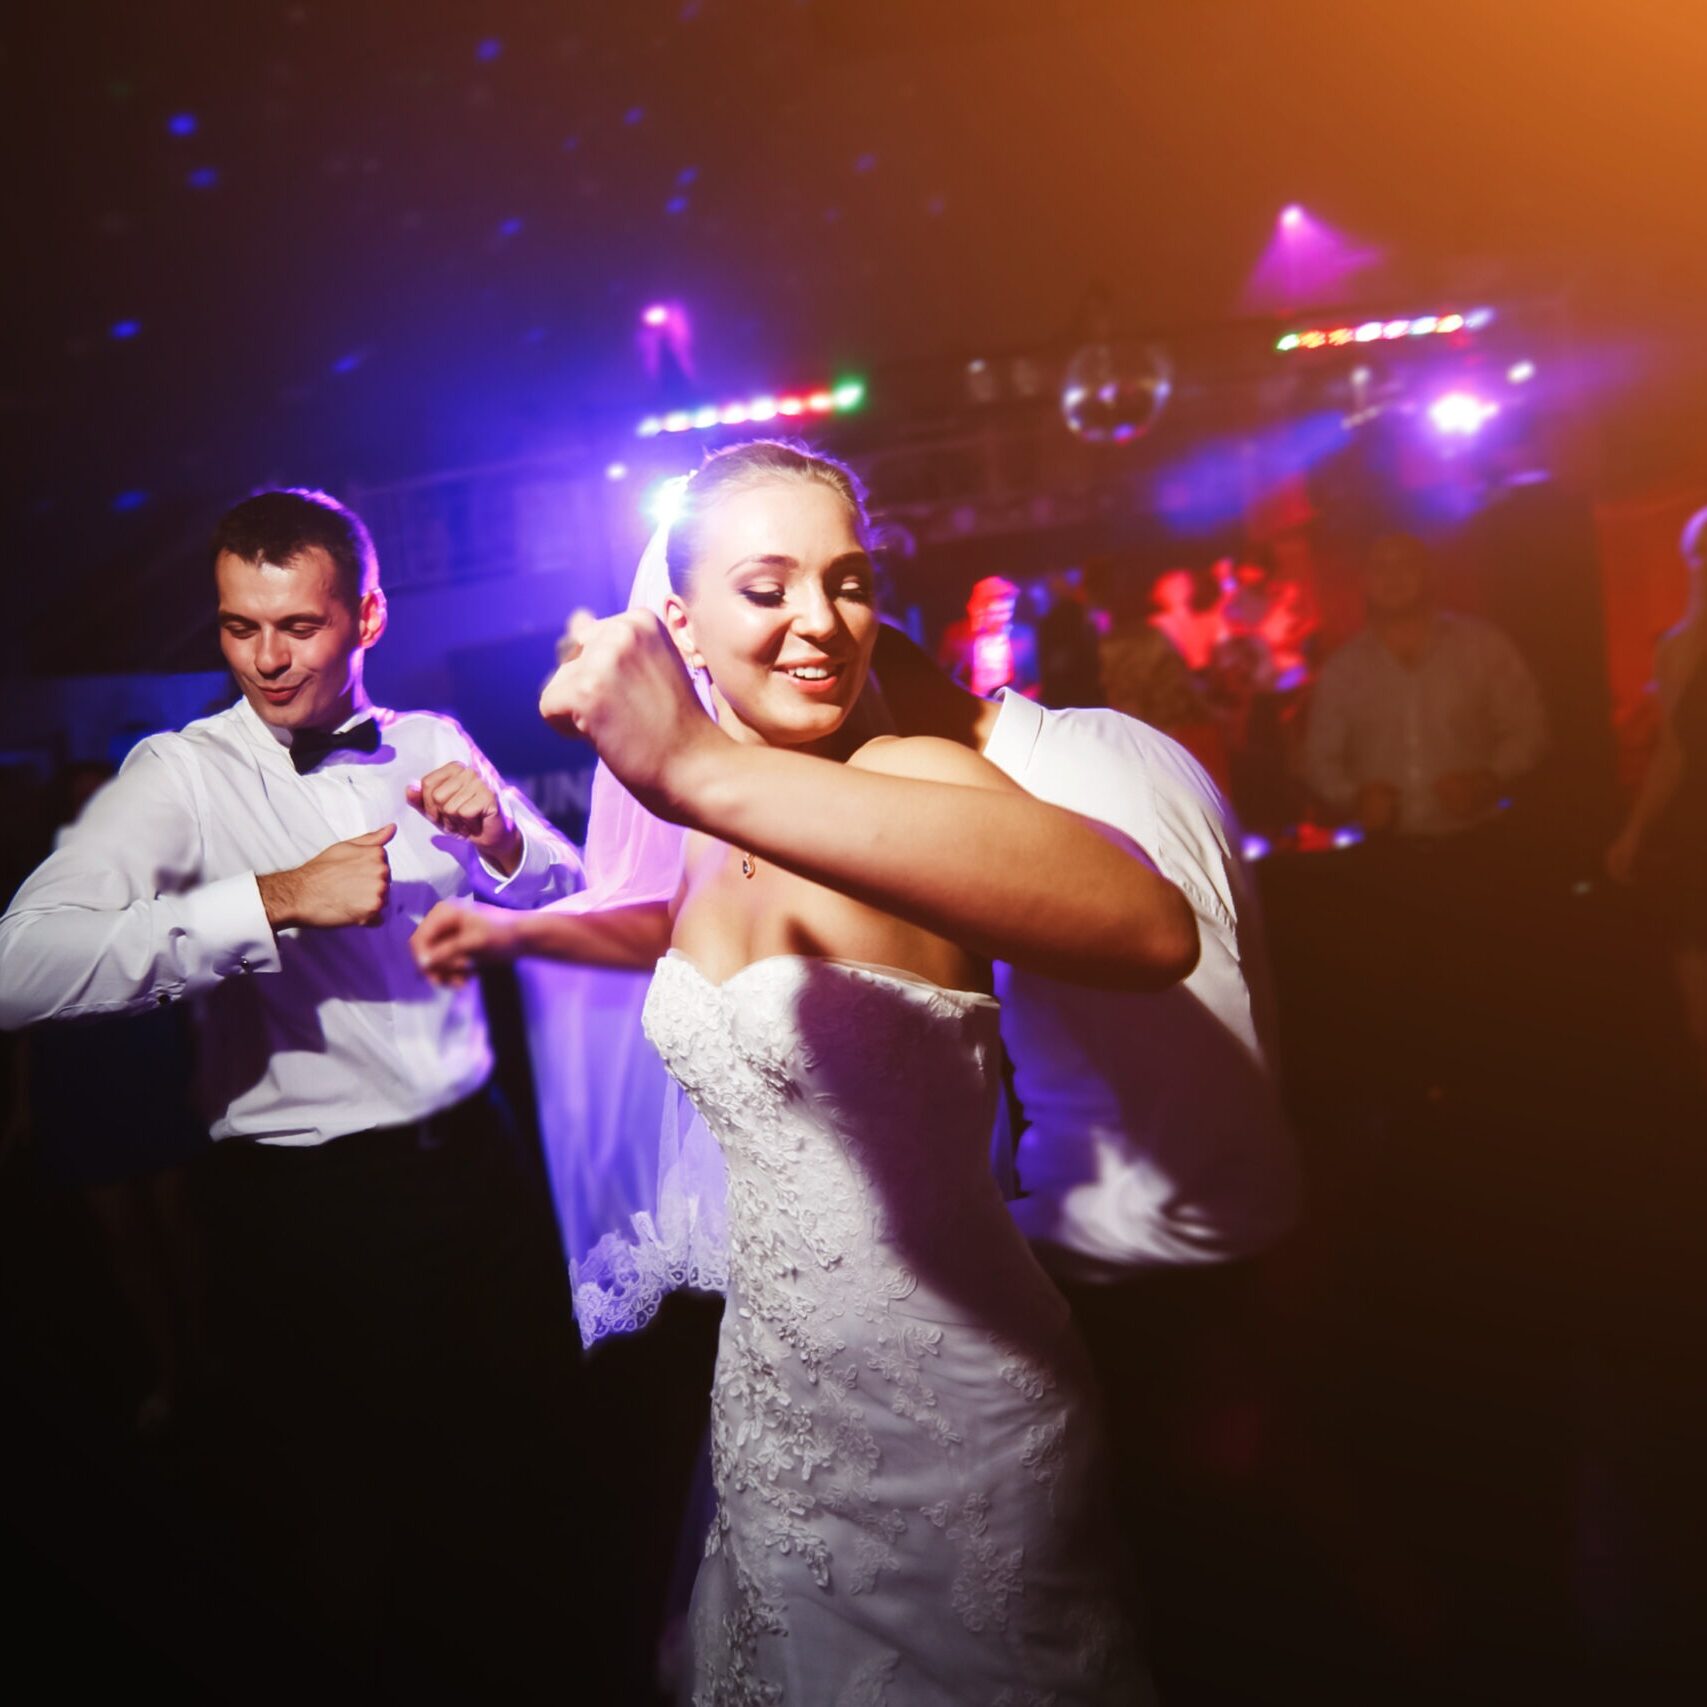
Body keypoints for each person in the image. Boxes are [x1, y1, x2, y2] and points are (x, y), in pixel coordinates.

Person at [416, 441, 1198, 1703]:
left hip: (953, 1411)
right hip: (775, 1394)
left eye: (846, 582)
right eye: (767, 588)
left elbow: (1151, 929)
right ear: (680, 621)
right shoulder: (720, 818)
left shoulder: (910, 778)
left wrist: (693, 764)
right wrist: (517, 924)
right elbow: (674, 924)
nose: (819, 624)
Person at [0, 487, 588, 1695]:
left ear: (367, 615)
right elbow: (20, 968)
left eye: (299, 628)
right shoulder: (179, 775)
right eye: (237, 628)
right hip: (308, 1202)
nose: (265, 660)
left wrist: (507, 845)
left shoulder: (428, 740)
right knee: (347, 1522)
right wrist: (267, 901)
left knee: (518, 1472)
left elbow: (570, 895)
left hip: (477, 1164)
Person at [1301, 532, 1547, 839]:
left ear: (1428, 573)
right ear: (1365, 580)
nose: (1393, 577)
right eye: (1381, 567)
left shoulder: (1482, 646)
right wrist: (1354, 798)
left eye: (1406, 565)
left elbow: (1528, 729)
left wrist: (1488, 780)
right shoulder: (1344, 668)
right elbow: (1319, 759)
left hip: (1477, 840)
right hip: (1383, 853)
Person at [1606, 505, 1707, 1088]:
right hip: (1699, 836)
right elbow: (1673, 752)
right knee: (1699, 1005)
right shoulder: (1679, 649)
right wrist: (1635, 831)